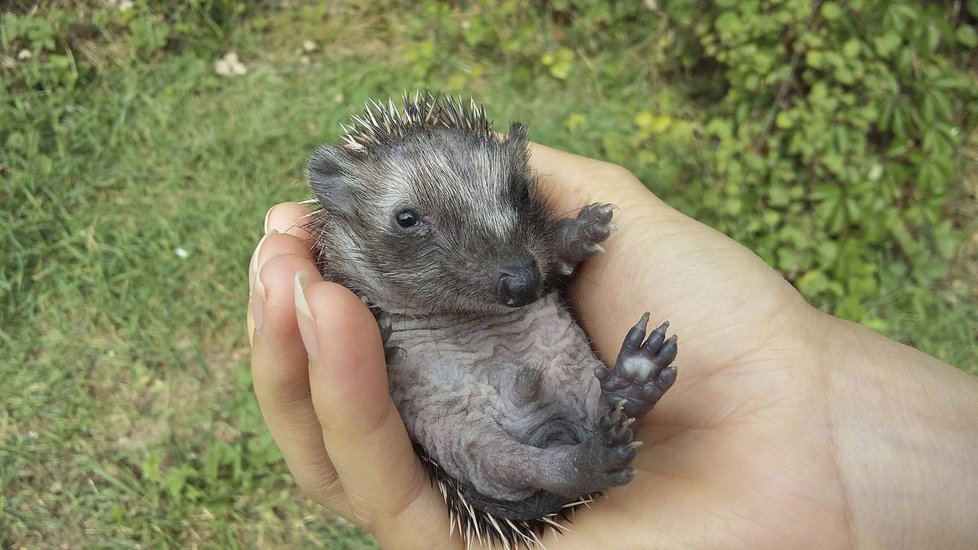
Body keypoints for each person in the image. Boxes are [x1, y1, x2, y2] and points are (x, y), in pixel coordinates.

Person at [246, 142, 978, 549]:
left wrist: (553, 249)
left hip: (529, 352)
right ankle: (570, 459)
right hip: (445, 375)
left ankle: (606, 414)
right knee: (462, 434)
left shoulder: (509, 250)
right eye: (410, 222)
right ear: (342, 201)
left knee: (555, 345)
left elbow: (520, 266)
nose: (498, 256)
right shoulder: (360, 270)